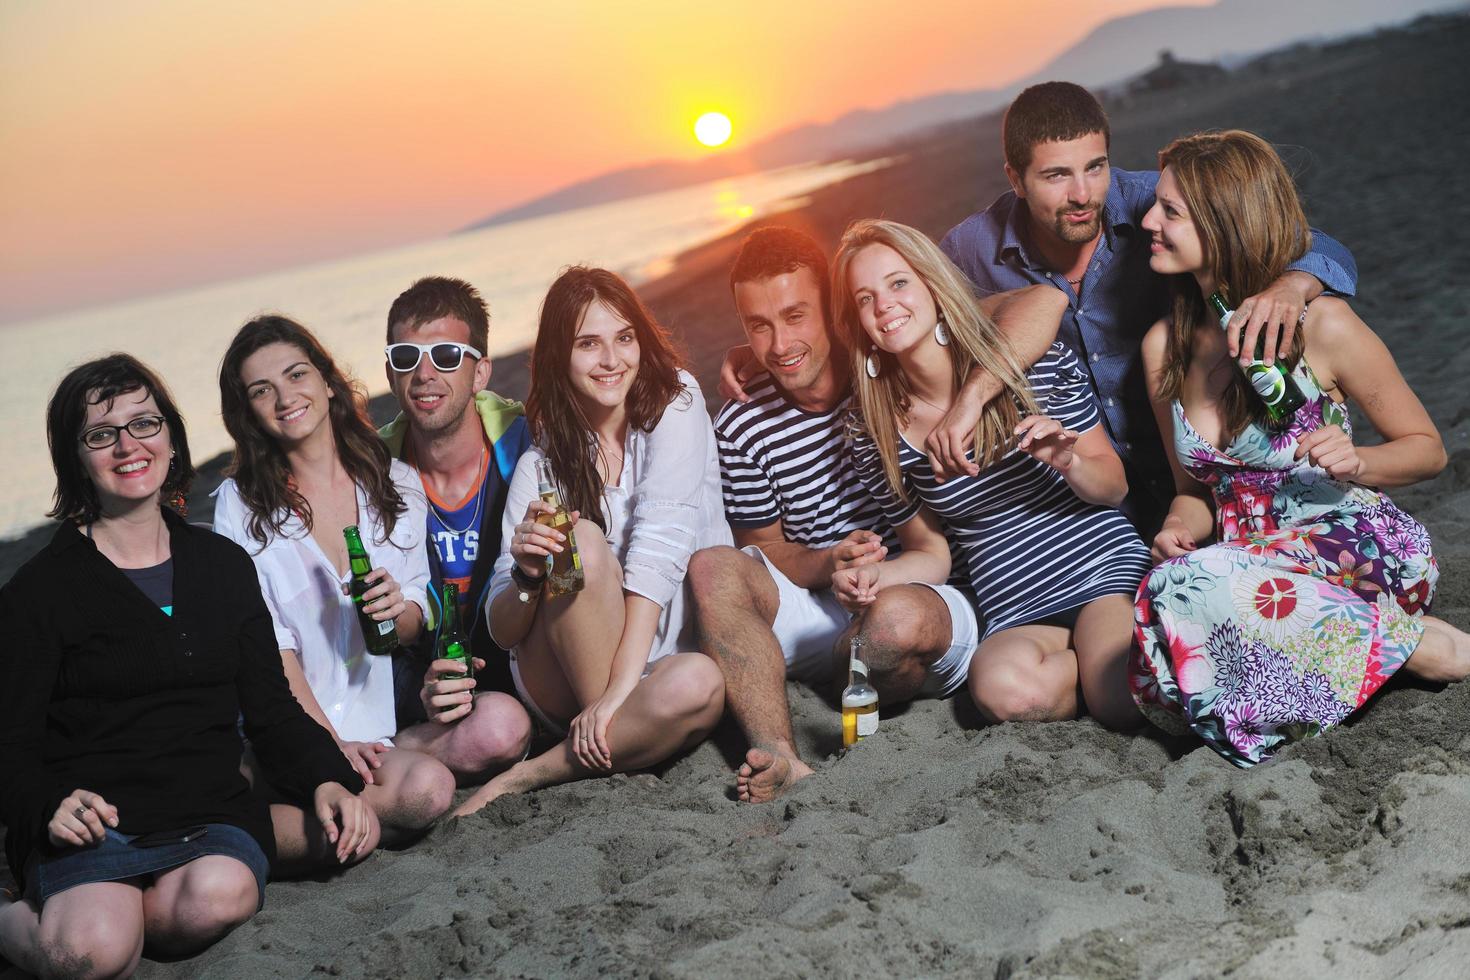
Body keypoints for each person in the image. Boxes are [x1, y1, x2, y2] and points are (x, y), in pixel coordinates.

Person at [0, 355, 371, 979]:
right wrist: (44, 806)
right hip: (93, 826)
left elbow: (271, 706)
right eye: (101, 434)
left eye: (144, 424)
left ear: (172, 438)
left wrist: (326, 779)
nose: (128, 446)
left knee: (222, 896)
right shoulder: (36, 593)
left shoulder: (222, 565)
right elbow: (9, 741)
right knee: (91, 956)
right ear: (75, 458)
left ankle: (112, 916)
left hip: (207, 814)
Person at [689, 226, 1064, 802]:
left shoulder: (890, 361)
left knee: (890, 628)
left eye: (796, 316)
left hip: (920, 588)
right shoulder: (741, 422)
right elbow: (761, 546)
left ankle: (857, 669)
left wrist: (968, 401)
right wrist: (826, 561)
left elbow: (1038, 301)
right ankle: (783, 758)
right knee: (714, 567)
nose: (779, 342)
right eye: (757, 326)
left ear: (835, 312)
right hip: (820, 601)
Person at [1131, 130, 1470, 766]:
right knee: (1160, 670)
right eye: (1157, 204)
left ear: (1225, 223)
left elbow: (1429, 450)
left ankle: (1429, 648)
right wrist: (1178, 525)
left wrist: (1360, 459)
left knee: (1185, 593)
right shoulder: (1163, 347)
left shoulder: (1324, 324)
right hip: (1247, 568)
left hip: (1351, 545)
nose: (1148, 221)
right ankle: (1381, 657)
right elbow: (1193, 492)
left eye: (1170, 211)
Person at [940, 81, 1360, 536]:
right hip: (1080, 498)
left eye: (1096, 167)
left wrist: (1293, 284)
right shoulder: (970, 251)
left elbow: (1319, 245)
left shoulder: (1151, 205)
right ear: (1015, 179)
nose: (1083, 194)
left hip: (1196, 480)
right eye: (1056, 175)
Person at [836, 219, 1150, 731]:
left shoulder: (1029, 361)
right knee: (1006, 696)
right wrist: (873, 577)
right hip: (1013, 603)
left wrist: (1068, 461)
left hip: (1098, 571)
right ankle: (1115, 661)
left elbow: (1114, 486)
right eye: (864, 298)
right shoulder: (871, 430)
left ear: (933, 287)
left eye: (898, 283)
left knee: (1117, 700)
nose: (884, 305)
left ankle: (1111, 667)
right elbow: (931, 554)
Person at [453, 267, 728, 814]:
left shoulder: (676, 401)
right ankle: (616, 728)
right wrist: (529, 575)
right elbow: (503, 630)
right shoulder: (540, 465)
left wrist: (621, 694)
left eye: (624, 338)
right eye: (588, 344)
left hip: (652, 666)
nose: (612, 360)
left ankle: (539, 770)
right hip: (562, 678)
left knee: (700, 681)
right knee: (578, 537)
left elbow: (659, 550)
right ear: (559, 357)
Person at [214, 315, 465, 843]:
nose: (285, 398)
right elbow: (269, 647)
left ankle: (346, 801)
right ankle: (298, 790)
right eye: (263, 391)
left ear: (327, 383)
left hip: (381, 720)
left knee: (479, 747)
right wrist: (325, 748)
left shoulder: (394, 481)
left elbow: (417, 617)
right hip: (290, 727)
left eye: (296, 375)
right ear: (250, 413)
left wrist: (400, 611)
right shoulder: (240, 506)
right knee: (426, 791)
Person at [377, 277, 533, 777]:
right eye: (406, 358)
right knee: (496, 728)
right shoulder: (371, 475)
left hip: (519, 656)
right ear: (389, 372)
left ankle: (389, 756)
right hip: (416, 677)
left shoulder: (527, 446)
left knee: (502, 727)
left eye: (446, 355)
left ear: (480, 371)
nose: (424, 374)